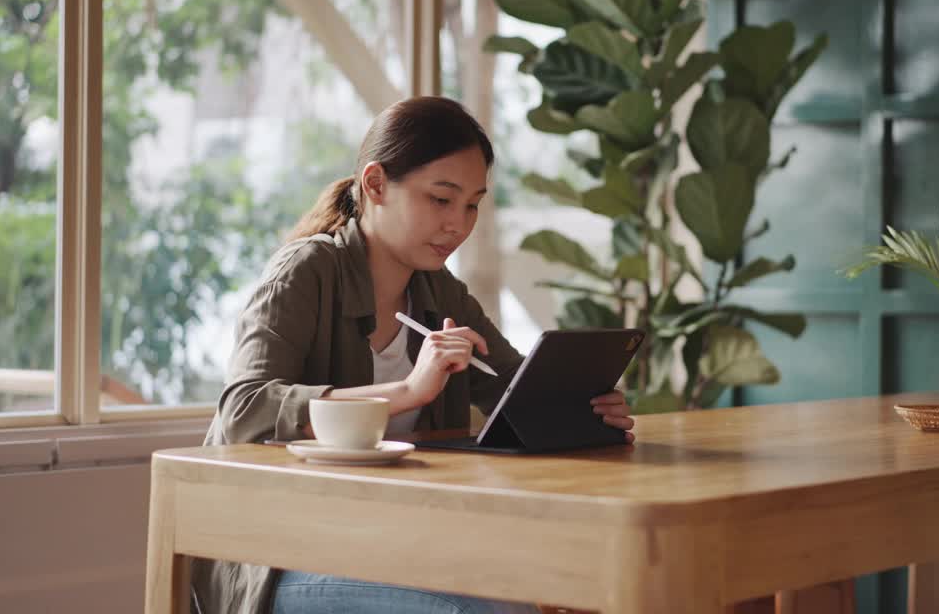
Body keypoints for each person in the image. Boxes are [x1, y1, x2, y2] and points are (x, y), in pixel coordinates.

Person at [191, 96, 636, 614]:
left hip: (395, 540)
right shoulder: (306, 271)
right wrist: (405, 392)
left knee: (573, 586)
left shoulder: (440, 292)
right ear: (375, 184)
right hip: (280, 555)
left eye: (472, 204)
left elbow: (513, 389)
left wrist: (581, 409)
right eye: (440, 199)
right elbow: (244, 409)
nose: (458, 223)